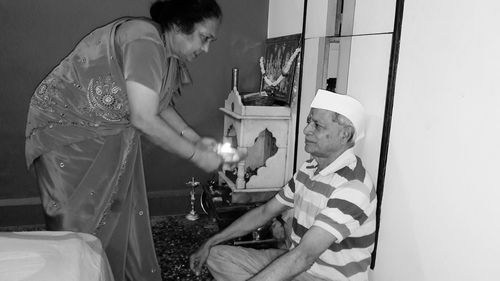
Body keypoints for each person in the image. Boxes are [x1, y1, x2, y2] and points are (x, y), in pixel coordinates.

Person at [24, 0, 223, 280]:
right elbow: (144, 118)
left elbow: (158, 103)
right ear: (179, 26)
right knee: (77, 216)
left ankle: (109, 271)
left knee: (118, 205)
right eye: (204, 38)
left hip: (109, 129)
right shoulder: (143, 40)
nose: (206, 49)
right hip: (69, 130)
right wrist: (195, 154)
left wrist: (191, 136)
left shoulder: (166, 53)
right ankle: (78, 272)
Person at [190, 89, 377, 281]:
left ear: (344, 134)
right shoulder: (309, 168)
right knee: (216, 255)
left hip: (321, 276)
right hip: (296, 264)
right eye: (308, 121)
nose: (307, 130)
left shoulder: (353, 187)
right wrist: (210, 242)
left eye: (317, 125)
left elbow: (304, 256)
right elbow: (265, 212)